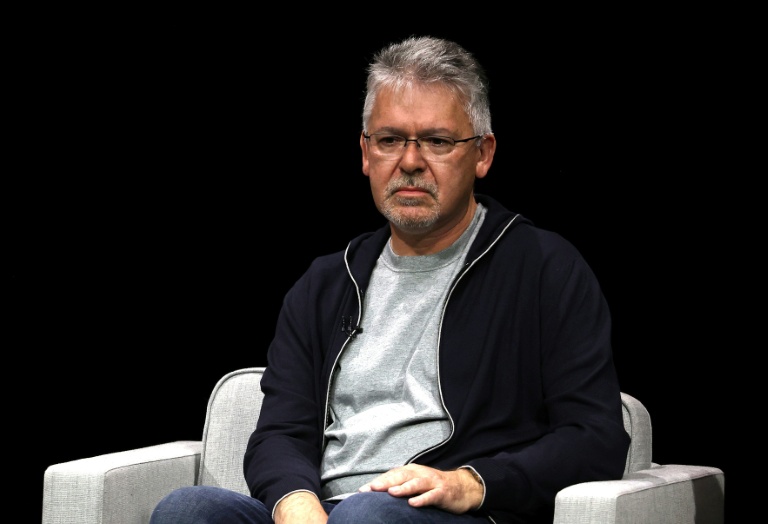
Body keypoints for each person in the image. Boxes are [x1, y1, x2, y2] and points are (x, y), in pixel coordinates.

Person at [150, 35, 630, 524]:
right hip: (329, 513)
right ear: (366, 153)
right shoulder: (325, 284)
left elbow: (595, 437)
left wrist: (471, 482)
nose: (411, 162)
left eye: (437, 141)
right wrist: (297, 506)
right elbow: (280, 433)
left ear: (482, 154)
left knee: (367, 515)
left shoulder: (544, 267)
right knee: (188, 509)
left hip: (446, 511)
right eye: (390, 140)